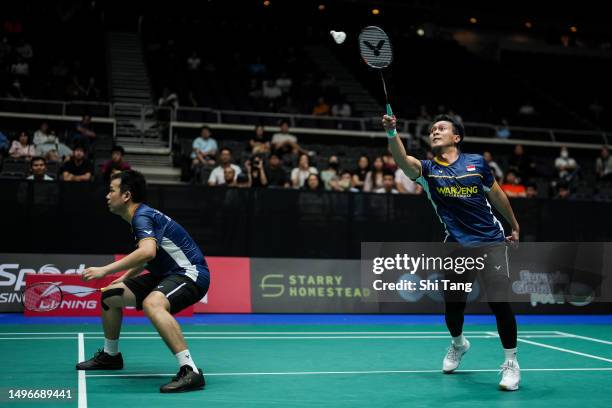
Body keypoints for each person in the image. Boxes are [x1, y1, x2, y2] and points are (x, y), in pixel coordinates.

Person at [383, 113, 521, 391]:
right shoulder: (428, 170)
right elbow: (401, 160)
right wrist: (392, 133)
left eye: (441, 128)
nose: (435, 132)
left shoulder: (477, 163)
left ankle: (511, 364)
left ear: (456, 137)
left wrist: (514, 225)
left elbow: (497, 195)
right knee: (454, 307)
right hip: (456, 246)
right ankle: (459, 344)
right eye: (433, 129)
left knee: (499, 304)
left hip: (491, 242)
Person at [77, 170, 209, 393]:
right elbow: (150, 256)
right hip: (165, 274)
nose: (107, 196)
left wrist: (104, 271)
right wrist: (120, 280)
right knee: (111, 295)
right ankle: (111, 356)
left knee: (152, 303)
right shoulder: (141, 217)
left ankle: (190, 370)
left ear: (126, 195)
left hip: (190, 273)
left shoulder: (142, 217)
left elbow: (147, 252)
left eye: (112, 190)